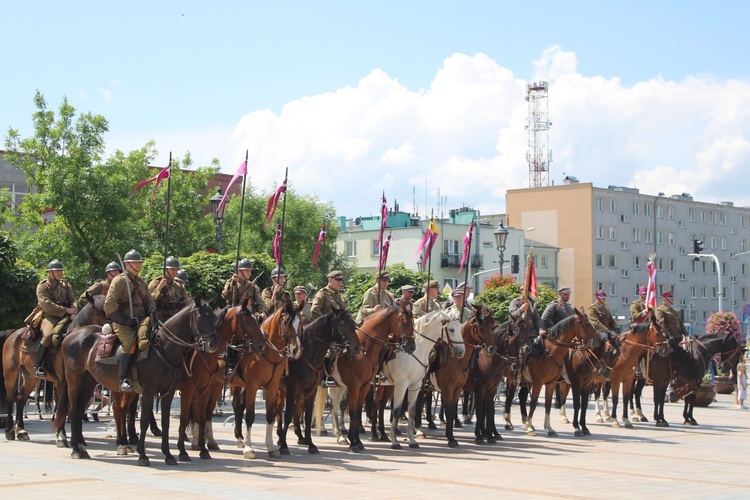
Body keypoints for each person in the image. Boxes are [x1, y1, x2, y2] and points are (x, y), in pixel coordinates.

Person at [104, 249, 157, 392]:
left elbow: (150, 300)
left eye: (139, 262)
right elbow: (109, 304)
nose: (139, 265)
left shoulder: (141, 282)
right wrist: (124, 320)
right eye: (135, 262)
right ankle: (124, 379)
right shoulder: (119, 281)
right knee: (129, 344)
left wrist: (151, 308)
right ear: (127, 264)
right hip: (123, 322)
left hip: (142, 320)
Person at [33, 259, 77, 378]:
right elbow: (46, 304)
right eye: (57, 271)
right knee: (48, 335)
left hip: (68, 315)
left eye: (61, 271)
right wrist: (67, 310)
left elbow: (73, 300)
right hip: (50, 315)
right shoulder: (43, 286)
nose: (60, 273)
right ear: (50, 272)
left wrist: (74, 311)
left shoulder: (66, 285)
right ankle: (38, 365)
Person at [148, 256, 190, 322]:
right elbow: (149, 301)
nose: (175, 272)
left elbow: (188, 303)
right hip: (159, 319)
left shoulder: (179, 287)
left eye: (177, 270)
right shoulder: (155, 283)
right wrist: (159, 288)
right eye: (172, 269)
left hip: (175, 319)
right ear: (166, 269)